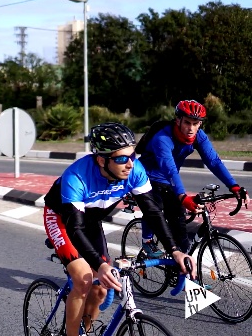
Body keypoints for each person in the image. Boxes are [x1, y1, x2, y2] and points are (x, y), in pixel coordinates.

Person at [42, 122, 196, 336]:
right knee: (84, 278)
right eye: (122, 159)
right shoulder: (76, 177)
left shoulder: (134, 171)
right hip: (62, 220)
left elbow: (153, 212)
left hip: (90, 221)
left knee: (100, 289)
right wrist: (99, 265)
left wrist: (175, 250)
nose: (130, 164)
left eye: (132, 156)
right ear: (101, 160)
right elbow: (75, 228)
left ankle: (84, 332)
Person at [137, 100, 249, 257]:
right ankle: (147, 241)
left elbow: (213, 161)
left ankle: (182, 270)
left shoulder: (199, 137)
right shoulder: (162, 138)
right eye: (187, 123)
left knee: (180, 226)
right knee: (156, 207)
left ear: (200, 124)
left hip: (169, 180)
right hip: (146, 176)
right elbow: (170, 169)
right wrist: (182, 196)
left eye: (195, 123)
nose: (191, 128)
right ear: (178, 120)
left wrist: (234, 186)